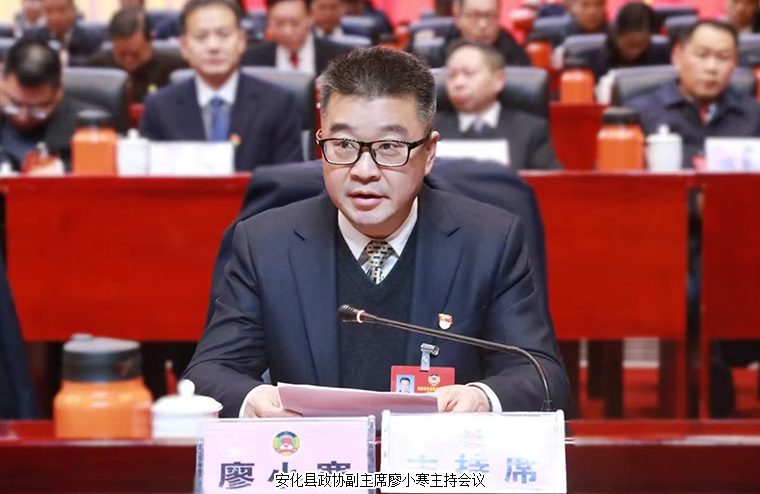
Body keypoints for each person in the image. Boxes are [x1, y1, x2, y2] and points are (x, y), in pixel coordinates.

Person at [183, 46, 571, 419]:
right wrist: (254, 399)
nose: (363, 171)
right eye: (343, 144)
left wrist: (480, 398)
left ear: (429, 153)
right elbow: (207, 374)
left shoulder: (489, 241)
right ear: (320, 144)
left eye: (389, 147)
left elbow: (542, 376)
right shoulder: (266, 243)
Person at [140, 0, 303, 171]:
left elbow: (290, 180)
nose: (213, 46)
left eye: (223, 35)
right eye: (201, 37)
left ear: (242, 41)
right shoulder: (159, 108)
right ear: (184, 46)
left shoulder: (278, 104)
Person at [626, 20, 760, 169]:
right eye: (702, 55)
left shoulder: (754, 115)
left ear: (735, 63)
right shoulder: (639, 114)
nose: (711, 67)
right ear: (677, 56)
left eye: (723, 57)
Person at [436, 41, 562, 170]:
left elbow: (550, 181)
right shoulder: (431, 129)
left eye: (469, 74)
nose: (458, 83)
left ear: (498, 79)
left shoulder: (531, 130)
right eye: (452, 75)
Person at [0, 39, 93, 170]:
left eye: (37, 109)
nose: (23, 117)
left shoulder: (91, 130)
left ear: (59, 91)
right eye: (14, 105)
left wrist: (61, 170)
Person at [83, 8, 186, 105]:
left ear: (151, 39)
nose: (128, 60)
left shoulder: (177, 68)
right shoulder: (95, 69)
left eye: (136, 54)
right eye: (121, 54)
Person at [241, 0, 351, 76]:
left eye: (295, 23)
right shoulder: (250, 60)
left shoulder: (341, 58)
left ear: (310, 17)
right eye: (279, 23)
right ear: (268, 20)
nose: (287, 32)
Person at [588, 2, 666, 81]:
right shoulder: (596, 63)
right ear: (616, 38)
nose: (636, 52)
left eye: (641, 44)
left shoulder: (660, 57)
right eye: (631, 45)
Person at [444, 0, 530, 67]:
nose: (483, 25)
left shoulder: (515, 55)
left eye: (490, 15)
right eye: (475, 16)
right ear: (458, 17)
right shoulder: (442, 57)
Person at [24, 0, 104, 64]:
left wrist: (66, 60)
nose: (55, 17)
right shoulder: (32, 37)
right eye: (49, 11)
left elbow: (95, 64)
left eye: (61, 10)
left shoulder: (92, 39)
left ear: (74, 10)